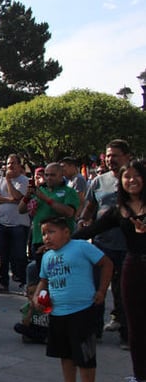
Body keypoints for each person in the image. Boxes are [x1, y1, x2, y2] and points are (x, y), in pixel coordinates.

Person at [74, 159, 146, 382]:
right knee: (134, 323)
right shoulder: (119, 210)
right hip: (133, 265)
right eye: (127, 177)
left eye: (136, 176)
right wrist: (63, 240)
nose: (131, 180)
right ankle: (140, 376)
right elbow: (92, 230)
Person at [36, 216, 112, 382]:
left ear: (66, 232)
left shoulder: (80, 247)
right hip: (58, 311)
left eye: (51, 232)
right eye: (44, 233)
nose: (47, 237)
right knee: (65, 353)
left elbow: (107, 264)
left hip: (82, 310)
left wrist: (102, 291)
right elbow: (44, 280)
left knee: (85, 355)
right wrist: (36, 296)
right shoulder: (47, 257)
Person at [80, 139, 132, 345]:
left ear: (127, 157)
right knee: (96, 288)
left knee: (125, 291)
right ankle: (95, 330)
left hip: (129, 246)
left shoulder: (134, 179)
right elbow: (90, 207)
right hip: (102, 245)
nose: (110, 159)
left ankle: (127, 334)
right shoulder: (99, 181)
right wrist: (84, 220)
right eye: (108, 155)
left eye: (115, 155)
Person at [0, 154, 30, 293]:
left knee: (19, 255)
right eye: (8, 163)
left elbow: (18, 196)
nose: (10, 166)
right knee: (3, 254)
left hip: (18, 224)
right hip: (2, 222)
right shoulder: (0, 181)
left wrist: (8, 180)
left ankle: (24, 282)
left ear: (19, 165)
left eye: (13, 163)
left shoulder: (24, 181)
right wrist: (10, 200)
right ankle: (2, 282)